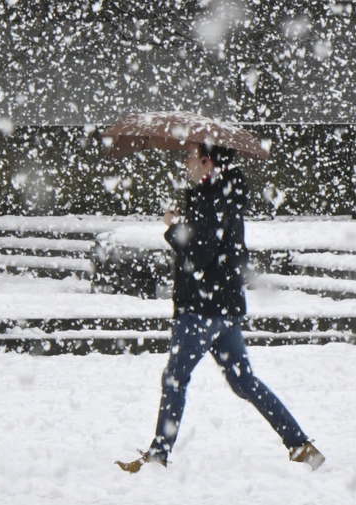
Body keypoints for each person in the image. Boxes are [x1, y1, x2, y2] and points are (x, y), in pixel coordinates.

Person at [116, 142, 324, 473]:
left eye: (190, 157)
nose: (185, 162)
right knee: (244, 382)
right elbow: (231, 253)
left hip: (201, 310)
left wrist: (173, 228)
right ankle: (300, 445)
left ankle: (158, 455)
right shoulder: (227, 199)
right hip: (225, 310)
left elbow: (199, 256)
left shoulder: (208, 200)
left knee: (175, 378)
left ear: (206, 161)